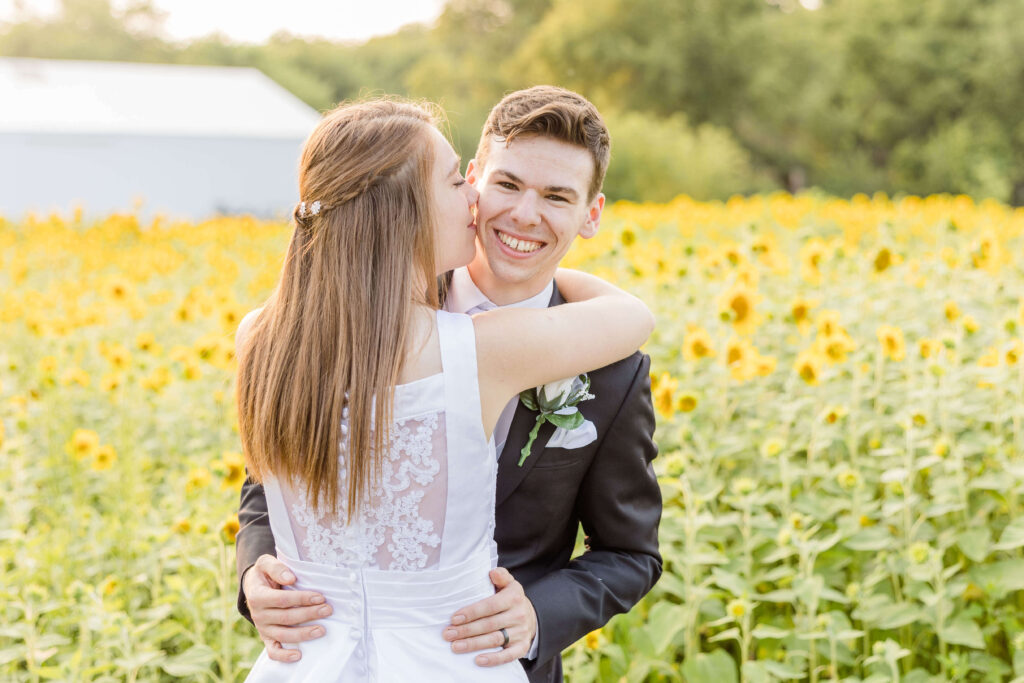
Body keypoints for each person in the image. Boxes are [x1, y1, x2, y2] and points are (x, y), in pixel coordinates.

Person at [236, 87, 663, 682]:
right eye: (504, 186)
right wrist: (257, 570)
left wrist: (536, 615)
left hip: (460, 655)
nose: (523, 215)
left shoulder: (268, 330)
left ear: (591, 214)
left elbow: (631, 553)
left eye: (557, 198)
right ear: (472, 181)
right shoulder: (480, 349)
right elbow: (271, 480)